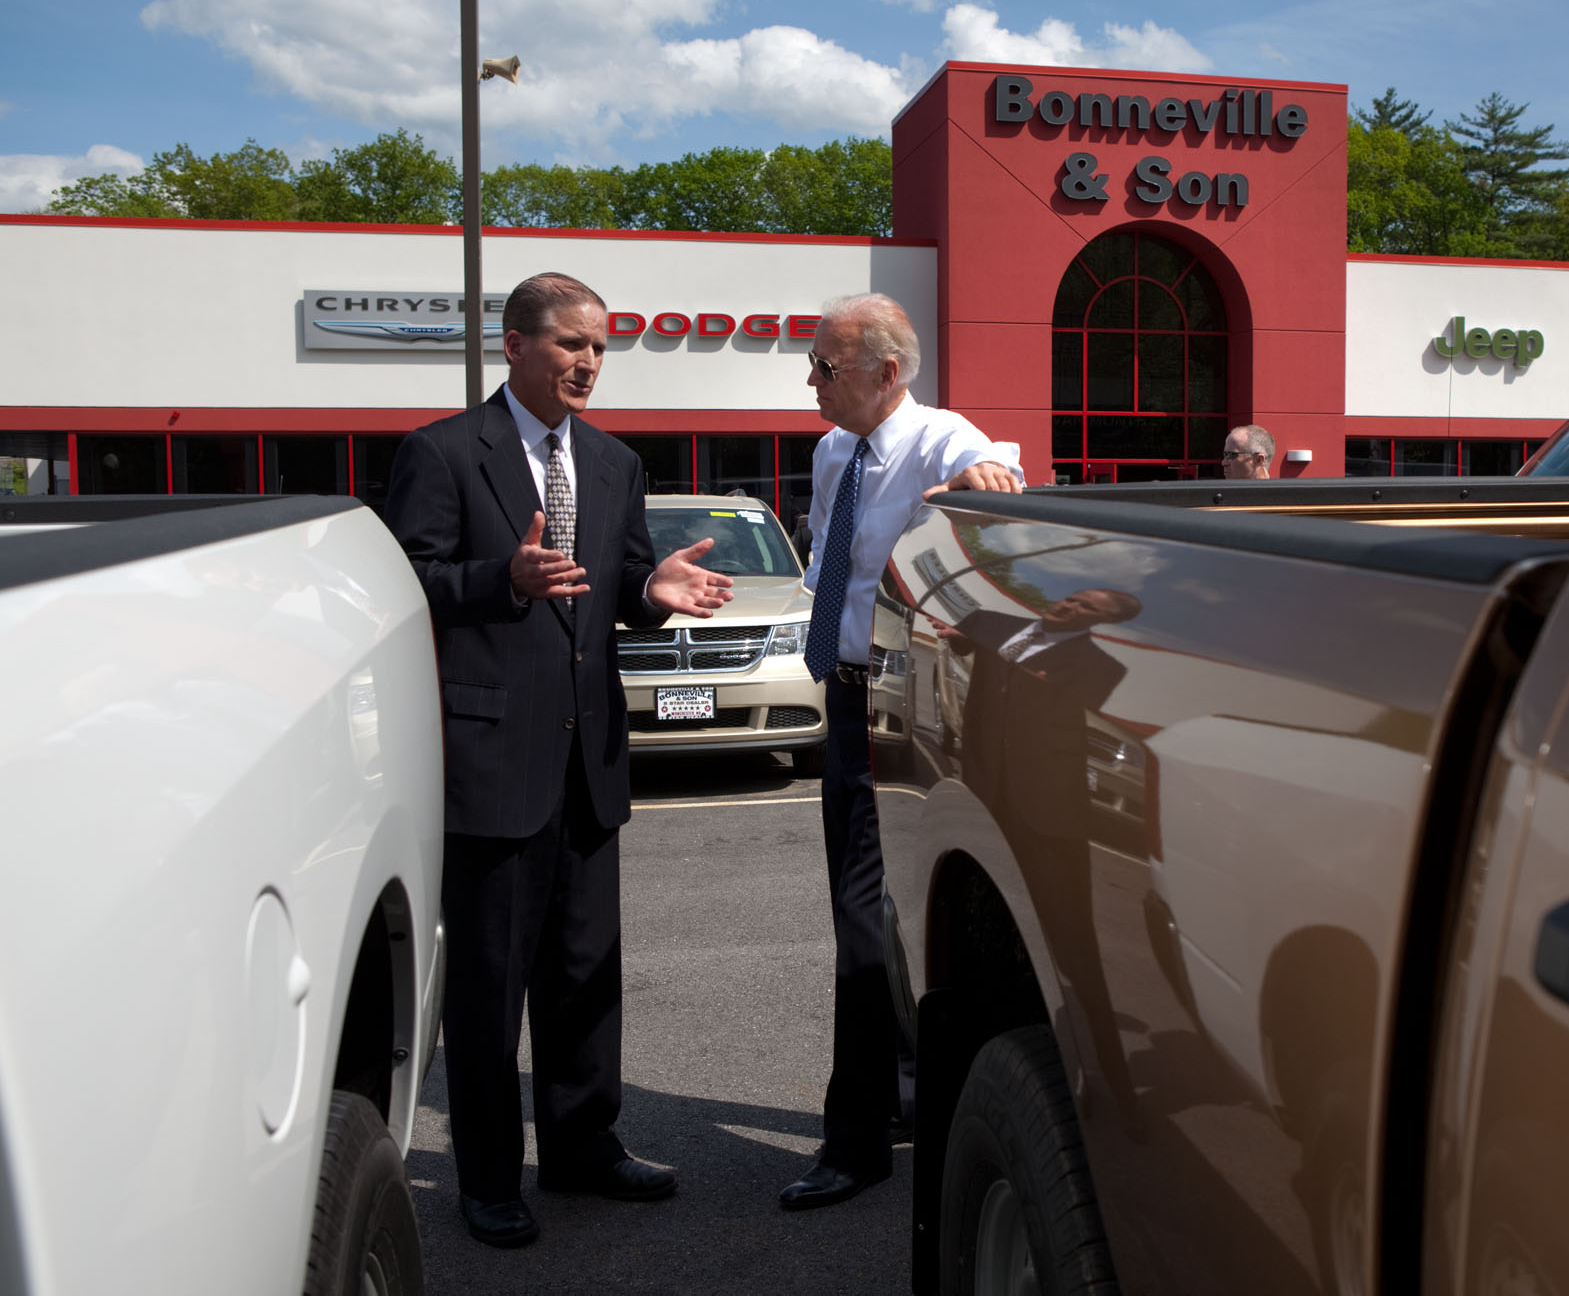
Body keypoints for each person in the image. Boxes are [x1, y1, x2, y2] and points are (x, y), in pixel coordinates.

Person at [384, 271, 735, 1249]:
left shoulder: (615, 463)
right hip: (492, 763)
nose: (586, 363)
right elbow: (408, 581)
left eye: (598, 348)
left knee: (584, 975)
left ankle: (585, 1147)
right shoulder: (443, 453)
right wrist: (501, 577)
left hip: (592, 759)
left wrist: (651, 589)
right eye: (570, 345)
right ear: (515, 345)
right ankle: (489, 1180)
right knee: (491, 990)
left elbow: (611, 584)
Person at [783, 292, 1024, 1210]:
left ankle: (854, 1145)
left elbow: (992, 463)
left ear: (887, 374)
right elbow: (831, 573)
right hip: (840, 711)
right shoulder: (831, 449)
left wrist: (989, 479)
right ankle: (894, 1098)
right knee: (868, 915)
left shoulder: (937, 439)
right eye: (812, 363)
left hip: (899, 713)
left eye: (826, 367)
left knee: (858, 920)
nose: (811, 381)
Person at [938, 590, 1142, 1117]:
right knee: (991, 938)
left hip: (1051, 819)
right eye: (1074, 598)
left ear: (1102, 622)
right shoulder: (998, 622)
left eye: (1088, 608)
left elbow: (1103, 726)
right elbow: (960, 644)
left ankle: (1117, 1093)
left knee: (1075, 948)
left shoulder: (1099, 666)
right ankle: (1012, 1078)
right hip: (989, 802)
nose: (1072, 606)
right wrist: (961, 639)